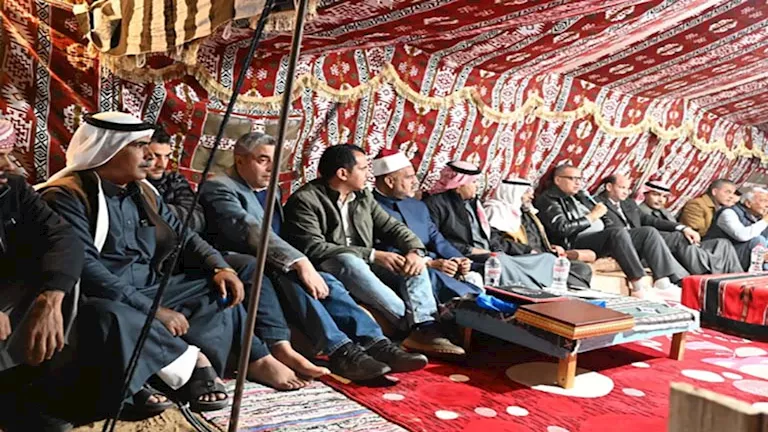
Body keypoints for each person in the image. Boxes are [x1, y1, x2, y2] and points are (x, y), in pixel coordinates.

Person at [39, 112, 325, 416]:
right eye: (139, 146)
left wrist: (220, 267)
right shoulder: (67, 196)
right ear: (108, 149)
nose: (149, 156)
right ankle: (191, 365)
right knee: (113, 317)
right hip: (101, 295)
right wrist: (154, 310)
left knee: (217, 292)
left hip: (150, 287)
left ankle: (235, 361)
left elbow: (185, 235)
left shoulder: (144, 192)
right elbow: (86, 268)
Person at [200, 133, 427, 381]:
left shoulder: (271, 188)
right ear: (240, 160)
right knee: (297, 275)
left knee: (328, 283)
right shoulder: (219, 187)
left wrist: (301, 263)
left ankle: (376, 342)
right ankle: (341, 351)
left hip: (276, 257)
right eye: (263, 160)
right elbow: (249, 229)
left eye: (276, 160)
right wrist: (299, 262)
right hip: (236, 261)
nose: (272, 168)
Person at [282, 144, 464, 358]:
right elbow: (314, 247)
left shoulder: (363, 197)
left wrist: (414, 251)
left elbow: (393, 228)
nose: (369, 174)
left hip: (365, 265)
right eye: (363, 168)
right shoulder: (306, 200)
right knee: (348, 261)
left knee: (413, 263)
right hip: (328, 265)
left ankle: (424, 325)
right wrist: (372, 255)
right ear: (343, 174)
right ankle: (415, 327)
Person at [0, 119, 83, 431]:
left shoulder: (12, 188)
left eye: (7, 154)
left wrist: (51, 298)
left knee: (65, 284)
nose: (9, 164)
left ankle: (15, 402)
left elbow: (62, 238)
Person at [535, 164, 684, 299]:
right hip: (575, 241)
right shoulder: (549, 199)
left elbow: (605, 218)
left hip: (597, 238)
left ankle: (662, 283)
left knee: (648, 232)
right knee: (617, 233)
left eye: (580, 179)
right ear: (558, 180)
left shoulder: (580, 197)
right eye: (573, 179)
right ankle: (638, 287)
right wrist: (591, 217)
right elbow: (562, 229)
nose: (578, 183)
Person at [423, 161, 568, 290]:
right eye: (474, 182)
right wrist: (471, 250)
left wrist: (527, 250)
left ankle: (539, 287)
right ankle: (530, 290)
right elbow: (436, 240)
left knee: (546, 259)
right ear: (459, 184)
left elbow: (492, 237)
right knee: (500, 262)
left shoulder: (474, 204)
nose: (477, 186)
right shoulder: (435, 204)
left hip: (491, 252)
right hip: (465, 257)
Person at [370, 149, 484, 304]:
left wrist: (458, 259)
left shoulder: (418, 206)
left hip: (437, 263)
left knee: (477, 271)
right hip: (401, 267)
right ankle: (471, 305)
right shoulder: (370, 208)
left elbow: (436, 238)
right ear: (390, 181)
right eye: (409, 177)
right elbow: (381, 249)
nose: (415, 182)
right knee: (429, 276)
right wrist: (428, 263)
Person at [598, 175, 739, 277]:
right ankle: (703, 275)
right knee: (676, 237)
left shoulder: (628, 203)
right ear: (609, 187)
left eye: (628, 188)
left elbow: (651, 220)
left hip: (675, 243)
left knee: (723, 243)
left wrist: (683, 228)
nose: (626, 191)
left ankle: (737, 277)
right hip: (631, 243)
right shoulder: (597, 203)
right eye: (622, 187)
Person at [483, 177, 593, 287]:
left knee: (581, 268)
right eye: (526, 193)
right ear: (512, 193)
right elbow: (497, 243)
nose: (531, 197)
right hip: (521, 258)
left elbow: (536, 238)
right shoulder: (496, 212)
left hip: (540, 257)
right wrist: (527, 250)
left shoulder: (527, 213)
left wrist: (550, 247)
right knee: (567, 275)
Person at [637, 179, 741, 274]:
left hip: (688, 244)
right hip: (666, 248)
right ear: (645, 194)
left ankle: (737, 276)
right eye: (656, 195)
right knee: (682, 238)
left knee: (723, 243)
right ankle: (705, 273)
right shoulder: (640, 211)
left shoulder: (664, 212)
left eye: (664, 196)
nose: (660, 200)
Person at [145, 125, 206, 233]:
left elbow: (197, 220)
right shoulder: (130, 182)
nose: (162, 165)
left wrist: (153, 208)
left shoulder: (174, 180)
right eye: (155, 156)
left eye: (166, 156)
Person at [704, 187, 768, 271]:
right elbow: (742, 235)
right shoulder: (728, 213)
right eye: (764, 201)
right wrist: (765, 220)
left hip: (741, 256)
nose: (767, 205)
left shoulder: (758, 217)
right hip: (719, 256)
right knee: (758, 240)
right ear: (748, 203)